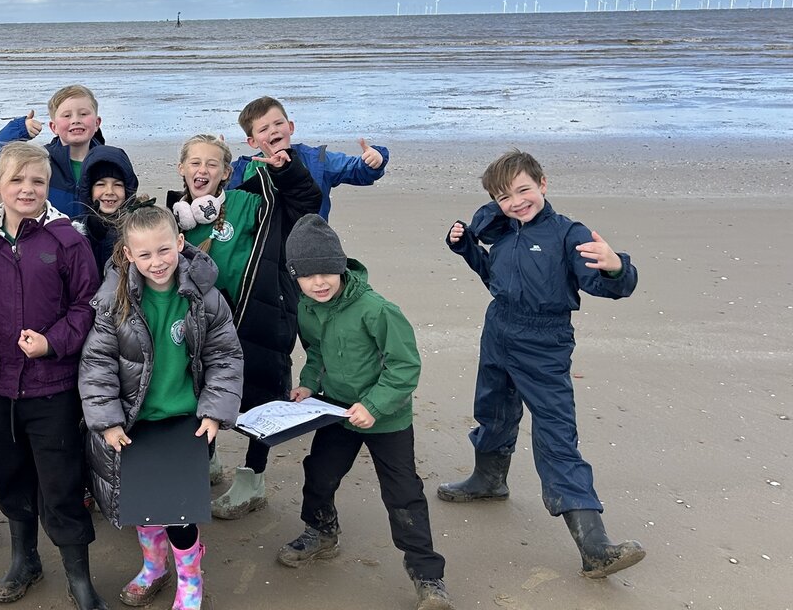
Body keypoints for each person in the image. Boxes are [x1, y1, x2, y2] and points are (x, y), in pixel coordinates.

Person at [439, 149, 644, 578]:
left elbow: (608, 284)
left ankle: (595, 545)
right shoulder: (504, 231)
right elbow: (493, 275)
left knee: (556, 435)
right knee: (493, 408)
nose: (515, 202)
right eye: (504, 196)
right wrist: (465, 246)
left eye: (522, 190)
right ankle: (489, 480)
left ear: (543, 184)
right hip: (499, 328)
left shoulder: (569, 233)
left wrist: (615, 267)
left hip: (544, 339)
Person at [0, 141, 108, 610]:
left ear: (48, 185)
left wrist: (53, 342)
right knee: (10, 476)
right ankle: (24, 558)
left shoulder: (67, 240)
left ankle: (79, 576)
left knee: (60, 482)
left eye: (37, 180)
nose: (27, 189)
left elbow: (87, 307)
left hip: (52, 387)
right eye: (16, 180)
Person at [280, 215, 454, 610]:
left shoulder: (376, 309)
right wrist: (308, 382)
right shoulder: (307, 307)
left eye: (327, 271)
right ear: (295, 276)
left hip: (387, 416)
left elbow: (404, 366)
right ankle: (321, 532)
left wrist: (374, 406)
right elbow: (317, 351)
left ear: (342, 266)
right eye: (308, 276)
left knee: (404, 493)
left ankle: (428, 576)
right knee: (319, 473)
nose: (319, 282)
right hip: (337, 411)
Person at [79, 206, 243, 610]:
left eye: (164, 250)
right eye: (146, 254)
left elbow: (225, 355)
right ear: (129, 255)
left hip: (186, 421)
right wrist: (108, 422)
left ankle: (190, 575)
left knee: (180, 512)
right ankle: (154, 567)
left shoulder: (205, 297)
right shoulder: (112, 302)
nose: (157, 262)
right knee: (144, 507)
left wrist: (213, 410)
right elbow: (97, 364)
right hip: (135, 422)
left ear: (180, 244)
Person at [165, 133, 323, 517]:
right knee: (200, 397)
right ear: (181, 168)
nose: (202, 170)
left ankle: (252, 481)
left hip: (258, 319)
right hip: (201, 330)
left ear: (226, 173)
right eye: (195, 162)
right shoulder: (172, 219)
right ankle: (208, 462)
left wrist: (287, 171)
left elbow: (303, 205)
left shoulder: (246, 203)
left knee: (259, 401)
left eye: (212, 164)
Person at [228, 95, 388, 220]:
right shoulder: (242, 170)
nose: (273, 131)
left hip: (309, 246)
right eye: (264, 129)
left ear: (290, 127)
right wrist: (214, 157)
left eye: (278, 123)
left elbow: (356, 170)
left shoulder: (316, 160)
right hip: (262, 248)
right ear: (252, 141)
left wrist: (373, 160)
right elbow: (213, 182)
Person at [0, 84, 106, 216]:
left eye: (83, 114)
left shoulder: (110, 161)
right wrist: (18, 130)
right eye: (67, 115)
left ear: (97, 123)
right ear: (53, 127)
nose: (75, 120)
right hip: (48, 234)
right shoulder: (42, 160)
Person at [73, 143, 144, 275]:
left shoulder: (139, 226)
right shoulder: (76, 231)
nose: (109, 191)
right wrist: (92, 233)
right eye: (100, 184)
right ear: (88, 189)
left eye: (117, 184)